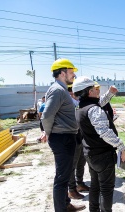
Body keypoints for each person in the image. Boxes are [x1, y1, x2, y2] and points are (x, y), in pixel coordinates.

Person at [73, 76, 125, 212]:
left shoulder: (81, 108)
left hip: (90, 154)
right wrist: (120, 146)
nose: (98, 91)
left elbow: (99, 103)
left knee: (96, 187)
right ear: (89, 92)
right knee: (106, 189)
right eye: (96, 89)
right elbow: (104, 132)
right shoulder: (94, 110)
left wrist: (109, 94)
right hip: (103, 156)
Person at [41, 58, 85, 211]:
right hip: (62, 137)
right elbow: (46, 115)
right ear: (62, 73)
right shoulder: (58, 90)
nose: (73, 75)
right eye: (71, 72)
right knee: (61, 178)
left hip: (65, 136)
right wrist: (47, 133)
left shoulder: (61, 89)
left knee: (64, 174)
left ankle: (65, 204)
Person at [67, 85, 90, 200]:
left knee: (81, 161)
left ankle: (79, 184)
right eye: (71, 92)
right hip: (72, 138)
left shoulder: (79, 102)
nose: (73, 94)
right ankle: (72, 190)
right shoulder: (66, 103)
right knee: (72, 164)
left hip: (81, 137)